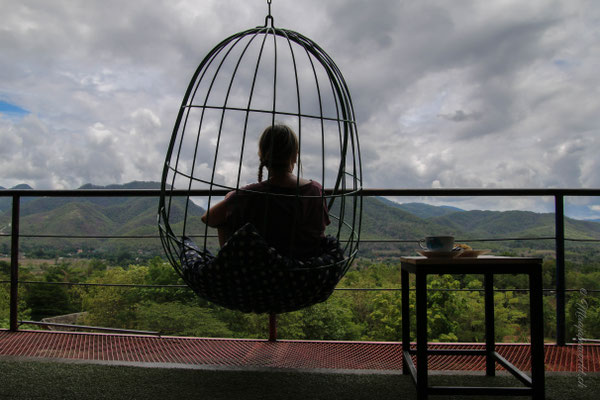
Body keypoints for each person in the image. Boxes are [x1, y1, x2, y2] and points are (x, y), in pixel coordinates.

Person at [201, 124, 330, 259]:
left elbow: (209, 218)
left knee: (225, 219)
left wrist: (232, 197)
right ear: (295, 156)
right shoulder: (316, 190)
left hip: (262, 273)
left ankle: (229, 263)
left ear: (262, 155)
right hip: (307, 273)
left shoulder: (249, 194)